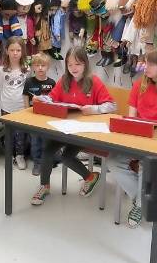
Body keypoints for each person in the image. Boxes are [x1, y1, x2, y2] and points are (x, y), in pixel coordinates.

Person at [109, 48, 157, 227]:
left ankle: (139, 204)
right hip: (136, 138)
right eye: (145, 62)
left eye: (150, 64)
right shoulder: (139, 84)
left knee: (146, 164)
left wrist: (144, 145)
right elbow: (131, 119)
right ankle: (142, 200)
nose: (145, 67)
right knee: (113, 161)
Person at [31, 46, 116, 205]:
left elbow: (111, 105)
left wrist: (94, 109)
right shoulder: (64, 80)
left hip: (84, 131)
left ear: (85, 64)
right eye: (70, 65)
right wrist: (41, 99)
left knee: (66, 157)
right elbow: (52, 98)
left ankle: (90, 177)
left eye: (77, 64)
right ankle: (45, 186)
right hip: (64, 128)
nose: (73, 69)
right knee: (48, 151)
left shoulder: (94, 81)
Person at [0, 36, 29, 169]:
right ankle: (9, 154)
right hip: (6, 107)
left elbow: (27, 89)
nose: (15, 53)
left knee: (20, 134)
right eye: (12, 50)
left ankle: (19, 155)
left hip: (21, 107)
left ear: (22, 52)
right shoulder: (1, 70)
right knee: (8, 133)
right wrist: (3, 102)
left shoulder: (26, 68)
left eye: (18, 50)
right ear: (7, 51)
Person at [22, 52, 55, 176]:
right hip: (33, 117)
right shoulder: (29, 82)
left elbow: (55, 100)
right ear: (33, 67)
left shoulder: (52, 83)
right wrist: (26, 112)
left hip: (47, 118)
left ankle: (46, 161)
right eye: (37, 65)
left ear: (48, 67)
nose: (40, 68)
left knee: (46, 141)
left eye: (43, 65)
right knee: (35, 141)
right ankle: (37, 162)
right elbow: (25, 97)